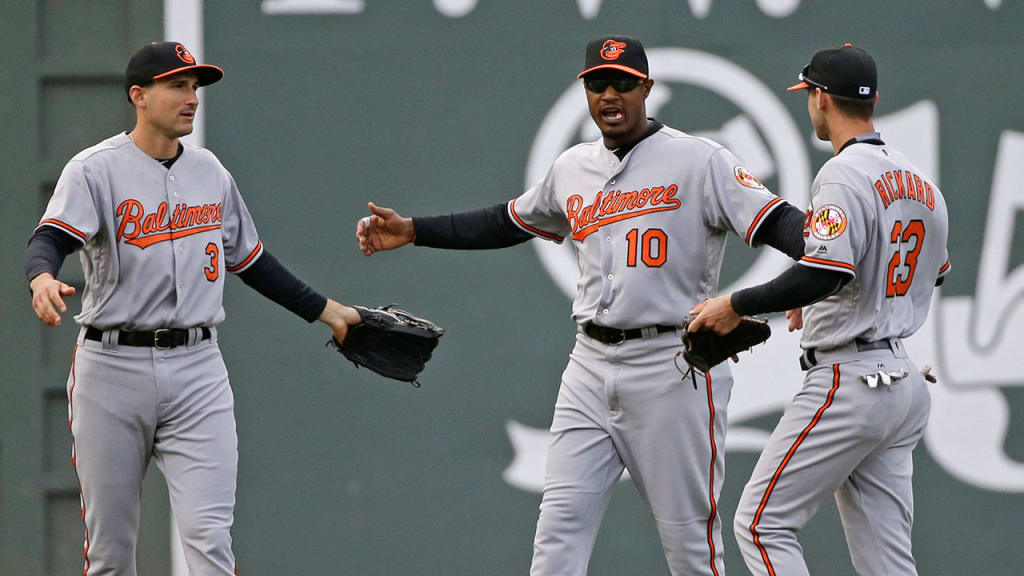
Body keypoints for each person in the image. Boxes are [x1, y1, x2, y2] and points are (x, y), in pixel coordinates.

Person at [356, 35, 808, 576]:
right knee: (557, 535)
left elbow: (787, 226)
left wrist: (827, 266)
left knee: (691, 551)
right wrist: (413, 231)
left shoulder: (700, 160)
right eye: (597, 83)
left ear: (647, 89)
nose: (609, 94)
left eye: (623, 83)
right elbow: (507, 220)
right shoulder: (572, 166)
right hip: (589, 366)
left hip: (673, 367)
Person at [25, 41, 361, 575]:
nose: (192, 97)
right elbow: (50, 237)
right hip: (112, 369)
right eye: (177, 85)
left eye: (195, 86)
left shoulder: (210, 172)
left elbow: (251, 262)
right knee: (110, 554)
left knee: (209, 540)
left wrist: (329, 312)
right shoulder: (95, 170)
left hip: (197, 368)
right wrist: (42, 276)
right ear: (139, 95)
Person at [689, 44, 950, 575]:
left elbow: (826, 269)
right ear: (872, 99)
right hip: (901, 378)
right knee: (886, 558)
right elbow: (931, 270)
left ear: (821, 98)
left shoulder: (842, 173)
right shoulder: (922, 183)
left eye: (809, 94)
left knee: (762, 525)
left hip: (850, 380)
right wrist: (831, 299)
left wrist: (737, 303)